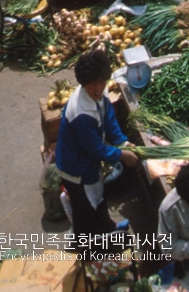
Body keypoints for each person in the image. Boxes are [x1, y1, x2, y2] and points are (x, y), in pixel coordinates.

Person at [55, 49, 138, 257]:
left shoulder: (100, 94)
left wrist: (122, 141)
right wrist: (122, 155)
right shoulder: (81, 112)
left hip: (88, 164)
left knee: (98, 199)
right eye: (93, 84)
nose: (98, 88)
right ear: (84, 83)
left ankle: (106, 228)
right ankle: (88, 251)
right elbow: (94, 148)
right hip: (76, 168)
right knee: (85, 209)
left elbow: (109, 118)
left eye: (101, 82)